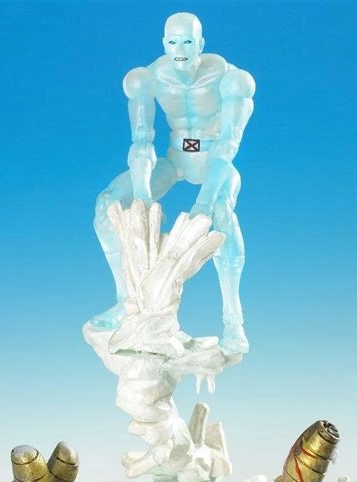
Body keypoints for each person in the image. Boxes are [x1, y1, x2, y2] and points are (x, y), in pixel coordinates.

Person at [93, 12, 255, 354]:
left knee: (222, 217)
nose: (179, 49)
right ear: (163, 43)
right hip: (174, 160)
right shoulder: (148, 78)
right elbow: (142, 141)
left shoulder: (230, 79)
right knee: (107, 205)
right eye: (173, 42)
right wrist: (142, 197)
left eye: (187, 41)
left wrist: (205, 203)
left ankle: (233, 322)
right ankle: (126, 302)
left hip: (214, 162)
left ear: (201, 43)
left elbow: (227, 146)